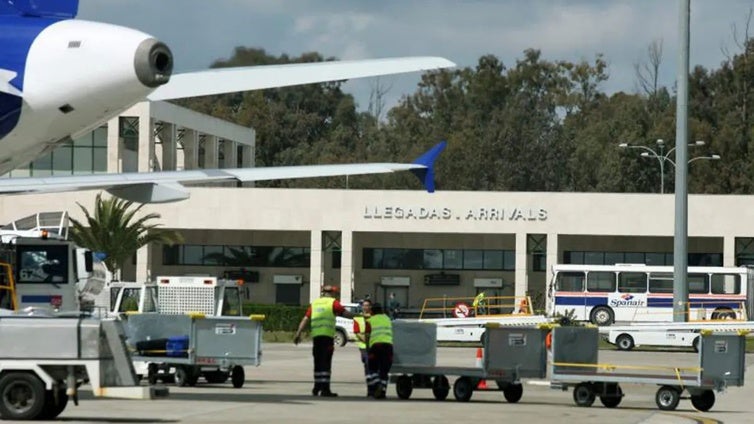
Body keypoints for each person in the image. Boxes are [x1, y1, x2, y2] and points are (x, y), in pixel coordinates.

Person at [294, 285, 354, 397]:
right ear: (332, 293)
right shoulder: (333, 303)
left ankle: (316, 388)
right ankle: (325, 389)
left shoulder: (315, 304)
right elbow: (345, 314)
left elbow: (305, 319)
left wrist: (298, 333)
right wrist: (358, 316)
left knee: (318, 363)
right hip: (327, 338)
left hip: (316, 338)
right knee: (326, 364)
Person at [365, 303, 393, 399]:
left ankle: (377, 384)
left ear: (372, 311)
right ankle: (382, 392)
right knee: (384, 370)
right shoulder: (388, 319)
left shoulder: (370, 320)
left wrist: (368, 349)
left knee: (372, 367)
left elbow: (367, 336)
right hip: (388, 346)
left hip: (376, 346)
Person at [352, 298, 372, 396]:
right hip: (363, 346)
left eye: (367, 305)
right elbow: (357, 332)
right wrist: (367, 341)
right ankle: (370, 388)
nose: (366, 307)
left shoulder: (374, 317)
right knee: (368, 365)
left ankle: (374, 387)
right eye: (364, 305)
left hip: (374, 345)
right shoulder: (358, 318)